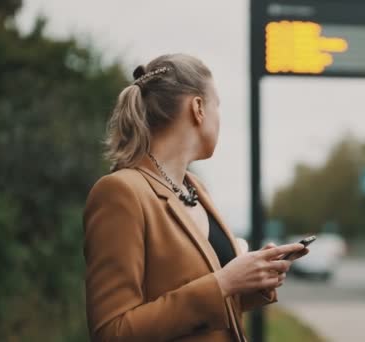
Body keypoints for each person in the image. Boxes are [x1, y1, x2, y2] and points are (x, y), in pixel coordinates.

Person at [83, 53, 308, 341]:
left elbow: (204, 310)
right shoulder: (120, 192)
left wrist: (253, 279)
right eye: (218, 105)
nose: (220, 118)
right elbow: (111, 332)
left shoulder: (195, 188)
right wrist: (225, 282)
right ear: (198, 107)